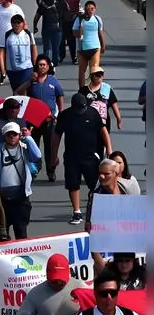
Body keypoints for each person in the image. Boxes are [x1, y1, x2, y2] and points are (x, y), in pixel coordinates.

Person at [51, 93, 111, 225]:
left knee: (95, 184)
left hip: (91, 156)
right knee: (73, 184)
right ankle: (77, 212)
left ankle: (94, 207)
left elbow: (103, 131)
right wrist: (54, 155)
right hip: (72, 156)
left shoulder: (92, 113)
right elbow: (57, 135)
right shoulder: (65, 115)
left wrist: (109, 149)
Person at [0, 122, 41, 239]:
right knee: (3, 232)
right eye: (9, 134)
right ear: (5, 135)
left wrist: (29, 138)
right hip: (1, 198)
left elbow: (37, 156)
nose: (12, 137)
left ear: (19, 135)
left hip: (21, 197)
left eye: (15, 134)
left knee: (21, 231)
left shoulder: (25, 148)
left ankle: (23, 256)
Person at [15, 254, 85, 315]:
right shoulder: (36, 293)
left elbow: (95, 310)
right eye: (54, 280)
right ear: (47, 274)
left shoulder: (81, 287)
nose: (58, 283)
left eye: (61, 280)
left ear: (69, 273)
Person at [72, 0, 104, 87]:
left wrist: (103, 45)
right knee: (82, 70)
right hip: (82, 49)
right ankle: (82, 90)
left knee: (94, 69)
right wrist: (81, 31)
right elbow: (74, 32)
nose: (90, 10)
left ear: (95, 9)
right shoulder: (79, 19)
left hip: (95, 48)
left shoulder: (98, 19)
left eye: (92, 8)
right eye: (88, 9)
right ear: (85, 10)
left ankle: (94, 89)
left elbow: (100, 33)